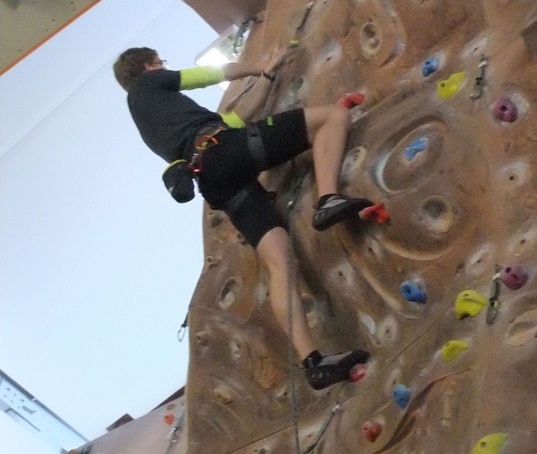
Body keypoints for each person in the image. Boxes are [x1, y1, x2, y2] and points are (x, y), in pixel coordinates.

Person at [113, 46, 371, 389]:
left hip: (215, 180)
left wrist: (265, 78)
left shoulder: (161, 120)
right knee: (333, 117)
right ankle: (328, 197)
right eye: (160, 63)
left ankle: (313, 361)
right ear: (149, 66)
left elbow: (238, 117)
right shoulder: (147, 87)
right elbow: (207, 75)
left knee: (280, 262)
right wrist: (256, 65)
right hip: (225, 150)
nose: (164, 67)